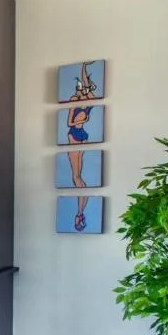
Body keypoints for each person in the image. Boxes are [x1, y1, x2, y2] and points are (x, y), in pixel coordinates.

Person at [66, 61, 97, 231]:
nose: (83, 89)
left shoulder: (87, 101)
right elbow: (69, 122)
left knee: (76, 176)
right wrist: (84, 67)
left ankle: (79, 213)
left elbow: (70, 123)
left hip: (78, 135)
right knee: (77, 177)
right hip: (77, 134)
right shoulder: (75, 101)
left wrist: (84, 69)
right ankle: (80, 213)